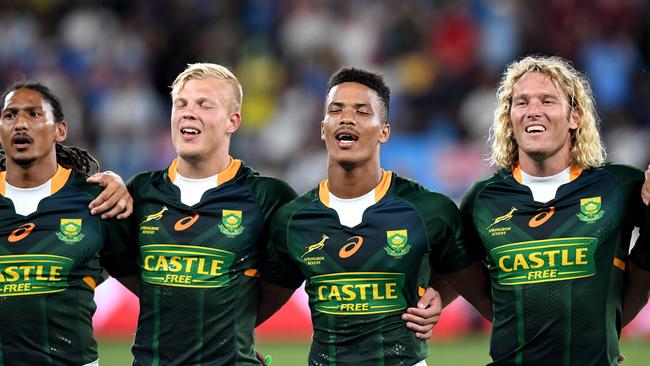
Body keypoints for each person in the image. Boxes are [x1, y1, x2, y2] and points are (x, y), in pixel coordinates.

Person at [107, 63, 444, 365]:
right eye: (180, 104)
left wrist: (437, 291)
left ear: (233, 121)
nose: (188, 112)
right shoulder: (140, 192)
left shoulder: (268, 197)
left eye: (204, 104)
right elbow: (128, 272)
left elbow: (294, 273)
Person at [258, 67, 493, 366]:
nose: (346, 118)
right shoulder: (293, 220)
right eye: (336, 110)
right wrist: (237, 348)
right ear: (322, 128)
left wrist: (436, 295)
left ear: (384, 130)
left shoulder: (428, 210)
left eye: (361, 111)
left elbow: (483, 294)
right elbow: (255, 310)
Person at [460, 55, 650, 365]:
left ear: (575, 116)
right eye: (521, 103)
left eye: (547, 100)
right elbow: (453, 267)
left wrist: (604, 335)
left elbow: (641, 277)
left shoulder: (619, 186)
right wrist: (434, 297)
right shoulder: (482, 200)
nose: (533, 111)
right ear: (509, 119)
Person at [0, 81, 135, 365]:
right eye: (10, 115)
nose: (20, 124)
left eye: (34, 114)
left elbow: (153, 292)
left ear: (60, 130)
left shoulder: (96, 201)